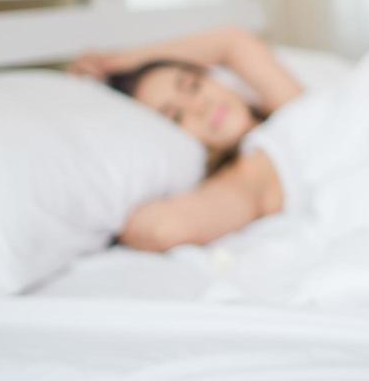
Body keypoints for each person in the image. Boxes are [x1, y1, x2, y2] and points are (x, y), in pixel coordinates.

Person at [69, 25, 302, 251]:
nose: (200, 106)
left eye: (193, 86)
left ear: (210, 77)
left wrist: (122, 61)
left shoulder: (294, 108)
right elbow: (160, 229)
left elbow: (231, 42)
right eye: (177, 117)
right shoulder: (251, 173)